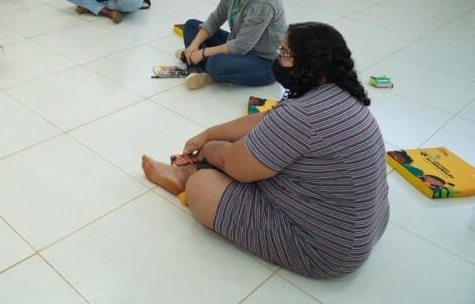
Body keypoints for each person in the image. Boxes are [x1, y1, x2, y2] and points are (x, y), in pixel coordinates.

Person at [142, 22, 389, 279]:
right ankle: (195, 171)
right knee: (258, 156)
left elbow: (233, 164)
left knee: (203, 185)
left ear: (307, 62)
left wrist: (211, 148)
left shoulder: (301, 114)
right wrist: (209, 133)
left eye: (284, 54)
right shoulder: (338, 93)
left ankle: (186, 177)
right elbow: (266, 120)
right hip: (365, 231)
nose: (277, 59)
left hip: (325, 251)